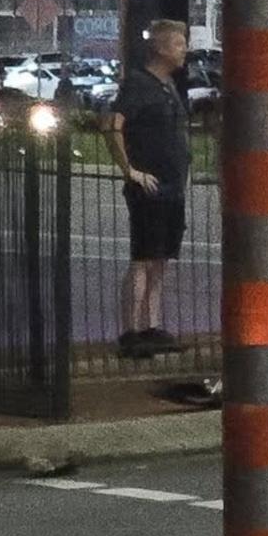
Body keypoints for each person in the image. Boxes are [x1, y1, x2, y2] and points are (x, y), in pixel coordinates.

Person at [102, 19, 191, 359]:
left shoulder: (166, 85)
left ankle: (152, 326)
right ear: (161, 47)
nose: (184, 50)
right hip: (151, 188)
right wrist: (131, 171)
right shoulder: (140, 84)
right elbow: (113, 124)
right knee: (143, 258)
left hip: (171, 187)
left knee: (160, 259)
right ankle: (131, 331)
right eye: (179, 44)